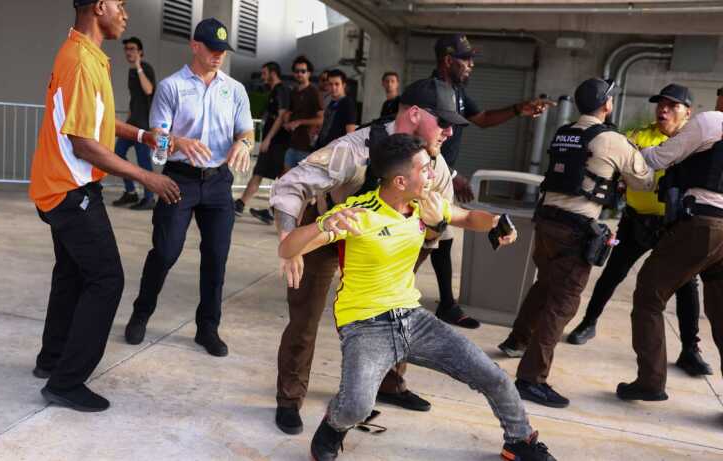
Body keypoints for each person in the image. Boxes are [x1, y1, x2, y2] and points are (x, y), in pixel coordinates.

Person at [279, 133, 555, 461]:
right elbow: (288, 248)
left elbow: (467, 217)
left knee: (492, 375)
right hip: (365, 325)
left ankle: (519, 441)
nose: (431, 173)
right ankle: (333, 425)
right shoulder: (357, 213)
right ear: (400, 180)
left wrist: (496, 223)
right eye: (424, 169)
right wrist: (317, 228)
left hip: (412, 316)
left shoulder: (425, 203)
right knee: (356, 407)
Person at [270, 78, 462, 436]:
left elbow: (444, 220)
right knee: (305, 315)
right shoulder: (356, 148)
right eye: (445, 122)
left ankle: (389, 384)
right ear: (416, 114)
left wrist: (419, 249)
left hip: (386, 242)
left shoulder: (435, 166)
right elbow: (290, 184)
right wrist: (288, 239)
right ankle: (289, 398)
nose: (450, 132)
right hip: (331, 230)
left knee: (395, 314)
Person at [29, 0, 180, 412]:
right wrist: (146, 176)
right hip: (70, 189)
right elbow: (84, 143)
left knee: (72, 275)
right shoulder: (80, 59)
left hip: (58, 187)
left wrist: (144, 135)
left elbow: (96, 121)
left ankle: (51, 360)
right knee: (107, 279)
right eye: (121, 5)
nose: (125, 14)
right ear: (100, 7)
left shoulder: (87, 54)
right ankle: (66, 381)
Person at [497, 78, 654, 408]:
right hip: (575, 229)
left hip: (546, 222)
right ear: (607, 104)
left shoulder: (564, 131)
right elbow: (644, 178)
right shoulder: (613, 140)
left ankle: (516, 340)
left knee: (545, 285)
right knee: (563, 303)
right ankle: (531, 379)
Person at [123, 18, 254, 358]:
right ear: (195, 46)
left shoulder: (234, 89)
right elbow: (159, 139)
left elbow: (246, 131)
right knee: (165, 251)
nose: (218, 56)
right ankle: (141, 313)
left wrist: (244, 144)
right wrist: (179, 142)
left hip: (217, 184)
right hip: (178, 179)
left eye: (222, 51)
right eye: (212, 49)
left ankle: (207, 328)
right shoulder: (171, 87)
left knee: (216, 258)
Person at [567, 84, 712, 376]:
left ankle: (690, 350)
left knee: (687, 287)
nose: (664, 109)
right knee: (613, 272)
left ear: (688, 112)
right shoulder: (637, 136)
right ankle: (588, 322)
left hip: (676, 226)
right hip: (637, 220)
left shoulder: (696, 143)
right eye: (661, 104)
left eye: (672, 105)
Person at [428, 34, 555, 329]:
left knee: (439, 239)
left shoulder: (456, 91)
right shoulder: (432, 93)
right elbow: (421, 142)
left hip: (441, 177)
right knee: (428, 240)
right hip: (425, 179)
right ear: (448, 61)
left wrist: (518, 109)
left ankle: (444, 303)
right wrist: (453, 174)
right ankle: (419, 301)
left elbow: (481, 118)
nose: (471, 65)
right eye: (465, 59)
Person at [617, 108, 723, 403]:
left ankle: (650, 382)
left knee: (649, 295)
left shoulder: (711, 121)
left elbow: (660, 158)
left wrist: (633, 149)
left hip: (702, 224)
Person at [235, 61, 290, 225]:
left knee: (265, 174)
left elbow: (281, 116)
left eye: (265, 73)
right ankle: (270, 210)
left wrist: (268, 139)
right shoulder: (274, 91)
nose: (262, 76)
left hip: (277, 142)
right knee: (275, 176)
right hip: (275, 142)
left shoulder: (281, 90)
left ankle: (242, 204)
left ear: (273, 73)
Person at [111, 36, 158, 210]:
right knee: (117, 154)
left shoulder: (145, 68)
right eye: (127, 49)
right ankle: (131, 192)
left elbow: (149, 90)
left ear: (140, 52)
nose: (128, 52)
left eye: (132, 49)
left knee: (144, 162)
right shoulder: (131, 72)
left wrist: (138, 66)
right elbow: (134, 99)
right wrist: (127, 120)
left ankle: (149, 197)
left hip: (145, 125)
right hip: (132, 123)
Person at [282, 56, 323, 171]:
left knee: (302, 184)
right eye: (296, 71)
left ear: (309, 73)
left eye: (303, 71)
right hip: (292, 144)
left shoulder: (314, 92)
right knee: (286, 180)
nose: (299, 74)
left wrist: (299, 122)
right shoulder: (294, 91)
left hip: (306, 147)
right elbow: (290, 113)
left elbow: (321, 119)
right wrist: (287, 120)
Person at [313, 69, 356, 150]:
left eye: (337, 84)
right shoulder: (332, 102)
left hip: (335, 152)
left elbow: (350, 133)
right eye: (330, 84)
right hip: (322, 149)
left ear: (343, 85)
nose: (333, 87)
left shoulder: (347, 103)